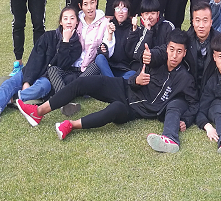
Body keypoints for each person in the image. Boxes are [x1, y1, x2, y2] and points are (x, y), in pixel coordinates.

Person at [15, 30, 199, 154]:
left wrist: (186, 120)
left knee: (114, 109)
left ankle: (71, 125)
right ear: (167, 48)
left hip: (134, 110)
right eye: (171, 50)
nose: (174, 55)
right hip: (124, 87)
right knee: (84, 82)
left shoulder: (185, 78)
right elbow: (134, 78)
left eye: (179, 52)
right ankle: (39, 112)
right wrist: (136, 80)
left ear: (184, 53)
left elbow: (194, 102)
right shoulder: (157, 61)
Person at [0, 7, 82, 127]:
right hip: (31, 71)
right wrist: (27, 81)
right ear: (61, 21)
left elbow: (61, 65)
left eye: (72, 18)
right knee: (9, 83)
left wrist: (65, 42)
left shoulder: (76, 46)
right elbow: (35, 58)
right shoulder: (48, 36)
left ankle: (11, 98)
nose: (69, 22)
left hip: (47, 78)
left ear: (77, 21)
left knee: (43, 87)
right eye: (65, 18)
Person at [47, 0, 109, 115]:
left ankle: (63, 96)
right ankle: (67, 101)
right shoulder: (76, 21)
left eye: (92, 3)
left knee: (96, 66)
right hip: (72, 67)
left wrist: (105, 47)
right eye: (85, 4)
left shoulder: (105, 23)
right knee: (52, 69)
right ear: (80, 6)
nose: (89, 7)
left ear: (96, 2)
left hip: (89, 68)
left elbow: (108, 48)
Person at [95, 0, 137, 79]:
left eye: (124, 9)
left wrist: (134, 31)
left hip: (124, 69)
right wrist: (103, 49)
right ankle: (114, 82)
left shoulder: (133, 28)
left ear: (128, 12)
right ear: (114, 12)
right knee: (99, 58)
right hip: (109, 67)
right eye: (117, 8)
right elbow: (102, 50)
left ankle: (111, 82)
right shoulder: (108, 25)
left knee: (133, 74)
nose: (121, 12)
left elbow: (132, 53)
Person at [126, 0, 174, 64]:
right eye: (146, 14)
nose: (149, 17)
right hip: (143, 66)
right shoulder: (138, 30)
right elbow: (136, 55)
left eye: (153, 13)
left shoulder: (168, 26)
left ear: (158, 14)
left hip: (163, 64)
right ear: (142, 15)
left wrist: (152, 54)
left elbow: (170, 48)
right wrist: (147, 31)